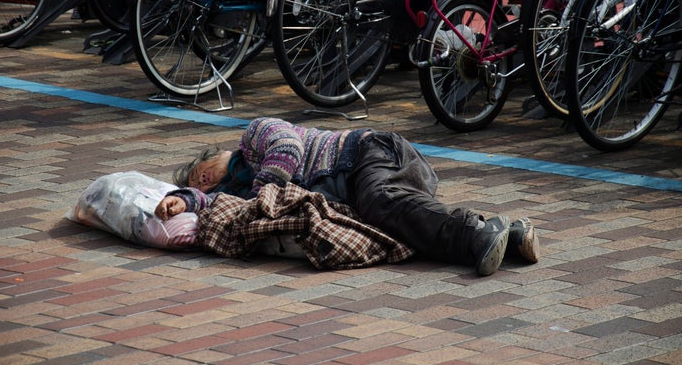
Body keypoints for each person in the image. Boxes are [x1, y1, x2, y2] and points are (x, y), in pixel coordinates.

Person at [155, 117, 539, 276]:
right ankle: (506, 235)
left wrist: (262, 197)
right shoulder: (236, 191)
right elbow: (224, 205)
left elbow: (287, 148)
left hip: (371, 153)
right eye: (201, 183)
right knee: (391, 230)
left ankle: (473, 235)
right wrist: (187, 201)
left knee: (378, 203)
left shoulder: (255, 136)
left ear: (213, 156)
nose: (203, 181)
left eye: (200, 173)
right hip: (372, 185)